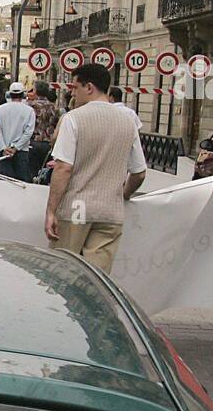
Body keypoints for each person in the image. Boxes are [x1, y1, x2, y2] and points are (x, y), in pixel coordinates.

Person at [45, 62, 146, 275]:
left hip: (76, 208)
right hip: (110, 211)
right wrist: (124, 194)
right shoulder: (129, 122)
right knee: (97, 280)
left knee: (63, 272)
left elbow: (63, 168)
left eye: (75, 88)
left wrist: (51, 211)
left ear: (89, 87)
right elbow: (139, 172)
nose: (73, 94)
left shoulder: (73, 119)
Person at [0, 81, 36, 181]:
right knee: (20, 184)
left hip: (4, 152)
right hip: (22, 151)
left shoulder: (0, 110)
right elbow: (28, 132)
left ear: (10, 94)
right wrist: (16, 147)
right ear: (23, 94)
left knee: (4, 183)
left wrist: (3, 147)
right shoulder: (29, 111)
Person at [28, 80, 61, 180]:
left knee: (32, 170)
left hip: (34, 141)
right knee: (45, 171)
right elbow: (57, 125)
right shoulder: (54, 108)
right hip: (48, 143)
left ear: (36, 91)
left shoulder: (31, 107)